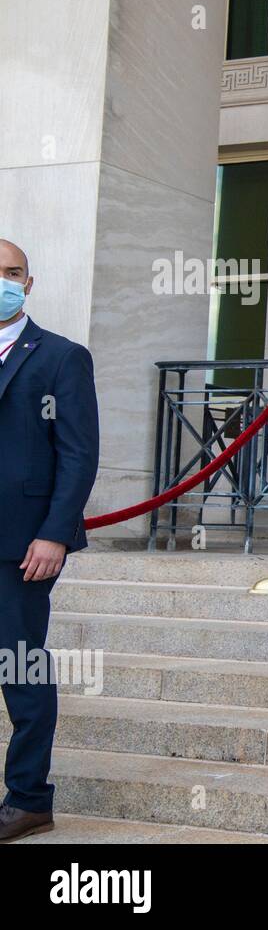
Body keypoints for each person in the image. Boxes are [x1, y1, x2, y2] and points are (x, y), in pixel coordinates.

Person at [0, 239, 99, 842]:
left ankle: (29, 798)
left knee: (20, 665)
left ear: (29, 284)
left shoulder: (61, 357)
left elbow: (79, 453)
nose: (2, 282)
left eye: (12, 273)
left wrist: (54, 535)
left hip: (22, 545)